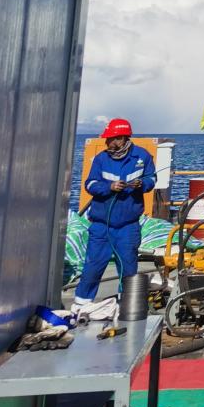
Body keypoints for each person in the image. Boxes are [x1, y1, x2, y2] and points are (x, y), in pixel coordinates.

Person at [75, 119, 156, 306]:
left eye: (110, 139)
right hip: (101, 226)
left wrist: (142, 184)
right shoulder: (101, 159)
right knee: (92, 267)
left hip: (128, 227)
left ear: (121, 138)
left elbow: (151, 179)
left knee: (128, 269)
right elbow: (90, 184)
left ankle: (126, 306)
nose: (107, 142)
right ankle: (81, 305)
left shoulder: (142, 157)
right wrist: (109, 187)